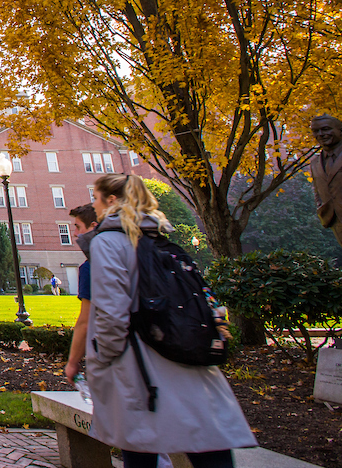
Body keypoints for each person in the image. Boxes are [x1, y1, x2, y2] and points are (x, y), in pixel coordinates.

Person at [85, 173, 255, 468]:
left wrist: (104, 357)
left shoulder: (108, 242)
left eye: (95, 198)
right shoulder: (159, 237)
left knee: (138, 442)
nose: (94, 205)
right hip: (183, 347)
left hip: (140, 360)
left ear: (111, 201)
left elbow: (112, 312)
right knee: (204, 439)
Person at [63, 203, 99, 386]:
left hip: (109, 352)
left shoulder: (91, 266)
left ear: (93, 227)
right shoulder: (128, 252)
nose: (75, 234)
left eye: (78, 227)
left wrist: (72, 362)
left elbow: (85, 321)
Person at [309, 114, 342, 248]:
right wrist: (321, 207)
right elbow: (318, 189)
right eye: (316, 131)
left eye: (326, 129)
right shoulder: (315, 163)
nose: (321, 134)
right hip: (336, 221)